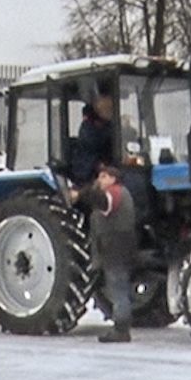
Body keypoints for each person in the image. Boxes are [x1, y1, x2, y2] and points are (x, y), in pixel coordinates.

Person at [76, 161, 136, 343]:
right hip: (121, 245)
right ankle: (121, 323)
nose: (99, 180)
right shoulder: (124, 193)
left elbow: (102, 202)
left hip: (114, 246)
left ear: (112, 179)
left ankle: (121, 329)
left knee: (118, 287)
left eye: (103, 177)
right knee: (120, 286)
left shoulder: (113, 193)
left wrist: (81, 193)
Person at [68, 93, 115, 184]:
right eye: (105, 107)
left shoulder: (110, 125)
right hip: (87, 170)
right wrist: (99, 165)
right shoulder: (88, 128)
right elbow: (92, 146)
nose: (108, 109)